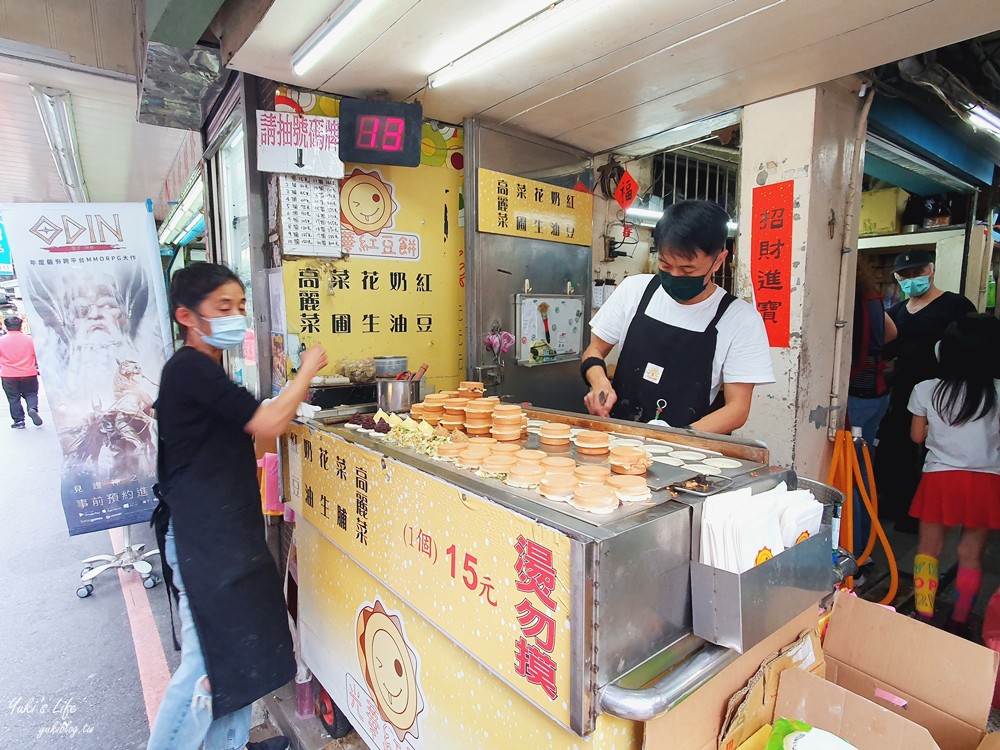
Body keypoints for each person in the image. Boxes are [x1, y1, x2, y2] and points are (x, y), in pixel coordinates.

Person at [147, 263, 328, 750]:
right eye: (223, 307)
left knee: (237, 665)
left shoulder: (206, 370)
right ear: (187, 315)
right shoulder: (189, 368)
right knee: (207, 663)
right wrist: (307, 369)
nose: (237, 316)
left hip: (226, 534)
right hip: (203, 540)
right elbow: (267, 423)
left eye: (241, 306)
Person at [581, 200, 774, 433]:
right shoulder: (635, 290)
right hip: (620, 436)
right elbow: (594, 351)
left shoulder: (740, 320)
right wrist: (599, 382)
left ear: (719, 260)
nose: (674, 275)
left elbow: (737, 409)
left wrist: (675, 438)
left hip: (687, 450)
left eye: (687, 270)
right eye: (665, 264)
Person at [908, 314, 1000, 634]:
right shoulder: (998, 393)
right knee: (971, 555)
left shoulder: (925, 390)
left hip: (940, 479)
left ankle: (923, 614)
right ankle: (961, 618)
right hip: (987, 482)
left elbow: (917, 437)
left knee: (928, 549)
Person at [877, 249, 975, 532]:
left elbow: (970, 346)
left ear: (931, 270)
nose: (911, 280)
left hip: (945, 393)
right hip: (905, 391)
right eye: (904, 276)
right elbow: (886, 349)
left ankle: (929, 512)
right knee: (900, 447)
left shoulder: (956, 305)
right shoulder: (895, 313)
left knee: (935, 452)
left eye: (917, 273)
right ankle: (901, 505)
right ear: (897, 278)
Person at [846, 258, 896, 558]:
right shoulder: (871, 295)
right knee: (864, 472)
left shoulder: (844, 297)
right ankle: (863, 549)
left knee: (852, 476)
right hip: (876, 391)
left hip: (857, 395)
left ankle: (856, 552)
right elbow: (892, 332)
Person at [0, 315, 42, 429]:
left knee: (13, 398)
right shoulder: (30, 340)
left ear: (6, 327)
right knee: (31, 394)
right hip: (29, 373)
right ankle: (32, 408)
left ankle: (19, 421)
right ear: (21, 326)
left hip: (8, 375)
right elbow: (39, 356)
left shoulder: (1, 341)